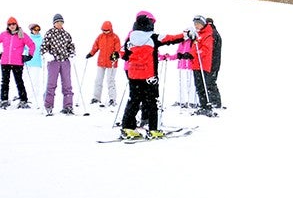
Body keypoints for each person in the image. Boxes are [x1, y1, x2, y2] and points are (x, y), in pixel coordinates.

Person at [120, 10, 187, 139]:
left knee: (133, 101)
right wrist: (186, 35)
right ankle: (153, 129)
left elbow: (123, 54)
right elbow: (171, 38)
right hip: (149, 76)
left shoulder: (130, 38)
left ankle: (127, 127)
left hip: (133, 75)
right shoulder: (153, 37)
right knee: (152, 102)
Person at [0, 17, 35, 108]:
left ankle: (23, 100)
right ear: (8, 26)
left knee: (19, 81)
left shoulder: (21, 34)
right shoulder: (4, 34)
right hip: (5, 62)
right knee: (5, 82)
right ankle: (4, 100)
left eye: (13, 24)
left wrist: (29, 56)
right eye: (10, 24)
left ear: (16, 25)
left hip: (17, 62)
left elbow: (31, 44)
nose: (12, 26)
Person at [41, 13, 77, 115]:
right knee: (51, 84)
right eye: (57, 22)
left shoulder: (66, 34)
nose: (59, 24)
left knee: (67, 84)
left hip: (65, 61)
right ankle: (48, 105)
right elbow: (43, 47)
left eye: (61, 22)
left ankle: (68, 106)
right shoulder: (49, 33)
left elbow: (71, 46)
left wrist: (72, 54)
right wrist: (47, 55)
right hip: (53, 61)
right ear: (54, 23)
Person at [188, 14, 224, 116]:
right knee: (204, 84)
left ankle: (213, 102)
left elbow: (209, 50)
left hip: (209, 63)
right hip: (203, 63)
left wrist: (198, 52)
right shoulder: (201, 34)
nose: (196, 26)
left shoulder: (211, 34)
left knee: (208, 83)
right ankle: (207, 102)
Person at [86, 20, 122, 107]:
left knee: (110, 81)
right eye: (103, 30)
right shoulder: (100, 37)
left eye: (107, 30)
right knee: (98, 80)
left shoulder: (115, 37)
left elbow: (118, 49)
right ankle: (96, 98)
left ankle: (112, 99)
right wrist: (91, 53)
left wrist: (115, 54)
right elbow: (95, 46)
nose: (105, 32)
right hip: (101, 62)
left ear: (110, 29)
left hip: (111, 62)